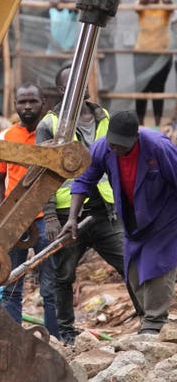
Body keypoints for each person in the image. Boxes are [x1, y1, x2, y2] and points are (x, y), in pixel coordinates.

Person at [36, 65, 126, 344]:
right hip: (66, 215)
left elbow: (117, 162)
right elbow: (42, 175)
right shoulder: (49, 125)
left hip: (105, 211)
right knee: (62, 277)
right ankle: (66, 335)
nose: (83, 86)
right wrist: (50, 218)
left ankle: (148, 324)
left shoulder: (104, 116)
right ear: (63, 90)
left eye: (83, 81)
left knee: (130, 264)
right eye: (74, 83)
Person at [65, 111, 177, 335]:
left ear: (135, 138)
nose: (116, 150)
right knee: (133, 268)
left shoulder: (157, 147)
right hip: (132, 215)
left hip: (164, 215)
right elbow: (84, 181)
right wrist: (71, 217)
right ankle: (147, 318)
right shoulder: (101, 148)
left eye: (122, 147)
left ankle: (154, 323)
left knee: (157, 265)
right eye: (113, 145)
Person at [0, 84, 56, 332]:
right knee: (11, 284)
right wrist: (2, 216)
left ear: (43, 103)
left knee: (50, 286)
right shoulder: (6, 137)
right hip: (14, 219)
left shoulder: (51, 135)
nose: (27, 107)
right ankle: (13, 336)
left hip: (44, 218)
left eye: (32, 101)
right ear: (15, 105)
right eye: (22, 102)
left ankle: (55, 340)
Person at [134, 0, 173, 126]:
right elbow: (140, 4)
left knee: (158, 89)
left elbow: (169, 2)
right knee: (141, 89)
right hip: (142, 55)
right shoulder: (142, 6)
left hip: (161, 57)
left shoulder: (164, 7)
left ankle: (157, 123)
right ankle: (140, 123)